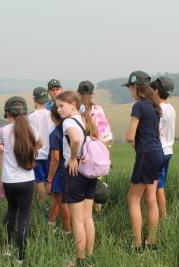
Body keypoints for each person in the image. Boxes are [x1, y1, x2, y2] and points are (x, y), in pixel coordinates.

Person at [0, 96, 42, 264]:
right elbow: (40, 144)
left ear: (8, 113)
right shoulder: (31, 130)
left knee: (11, 211)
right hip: (27, 180)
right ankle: (21, 257)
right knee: (24, 217)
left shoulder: (4, 131)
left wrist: (1, 146)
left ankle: (7, 248)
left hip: (9, 181)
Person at [56, 90, 98, 265]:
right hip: (89, 171)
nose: (58, 109)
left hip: (75, 172)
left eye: (61, 106)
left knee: (77, 219)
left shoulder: (67, 122)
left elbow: (74, 140)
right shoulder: (84, 119)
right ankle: (90, 256)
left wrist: (73, 158)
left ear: (73, 104)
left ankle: (79, 259)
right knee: (88, 217)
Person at [122, 71, 164, 251]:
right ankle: (151, 241)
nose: (130, 91)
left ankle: (137, 244)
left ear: (135, 87)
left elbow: (130, 136)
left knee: (132, 198)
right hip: (158, 153)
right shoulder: (154, 104)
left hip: (146, 154)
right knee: (151, 198)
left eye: (130, 88)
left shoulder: (139, 106)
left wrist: (131, 141)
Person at [77, 80, 113, 212]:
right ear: (93, 94)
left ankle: (85, 213)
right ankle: (96, 213)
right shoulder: (98, 109)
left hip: (84, 153)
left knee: (83, 184)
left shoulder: (75, 110)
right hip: (98, 152)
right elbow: (106, 136)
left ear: (78, 93)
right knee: (96, 182)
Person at [150, 77, 176, 218]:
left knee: (159, 187)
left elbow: (156, 131)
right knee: (160, 184)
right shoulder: (171, 107)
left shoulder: (158, 109)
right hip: (169, 149)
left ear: (157, 91)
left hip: (159, 150)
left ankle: (163, 215)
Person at [46, 102, 71, 234]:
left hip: (60, 171)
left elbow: (55, 158)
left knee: (61, 201)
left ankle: (67, 230)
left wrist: (49, 180)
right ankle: (51, 222)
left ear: (52, 116)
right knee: (56, 197)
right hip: (70, 168)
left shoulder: (55, 134)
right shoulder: (69, 129)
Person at [28, 87, 54, 205]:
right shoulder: (51, 115)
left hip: (36, 152)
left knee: (39, 180)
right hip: (51, 152)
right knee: (50, 179)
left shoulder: (30, 117)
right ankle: (52, 203)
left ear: (34, 99)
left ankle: (42, 204)